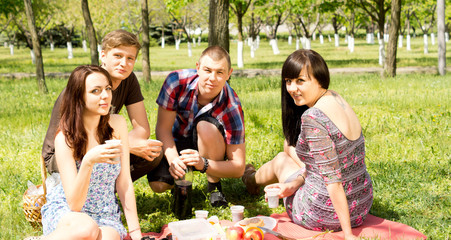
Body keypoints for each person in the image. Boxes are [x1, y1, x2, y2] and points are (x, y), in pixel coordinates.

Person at [242, 49, 373, 239]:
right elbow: (329, 167)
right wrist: (294, 184)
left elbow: (333, 181)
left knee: (281, 159)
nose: (292, 88)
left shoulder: (314, 117)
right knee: (287, 154)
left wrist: (348, 235)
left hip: (323, 212)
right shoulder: (336, 98)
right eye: (288, 81)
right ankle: (251, 177)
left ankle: (249, 180)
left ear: (320, 79)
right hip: (361, 204)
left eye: (300, 81)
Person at [41, 29, 166, 190]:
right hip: (64, 154)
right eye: (118, 56)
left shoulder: (128, 80)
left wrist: (124, 145)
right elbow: (77, 140)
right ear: (103, 55)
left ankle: (105, 194)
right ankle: (85, 196)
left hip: (101, 144)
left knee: (151, 154)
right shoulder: (85, 82)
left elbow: (142, 130)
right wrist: (125, 146)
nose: (124, 63)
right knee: (123, 151)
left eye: (130, 58)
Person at [40, 65, 142, 239]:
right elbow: (74, 204)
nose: (105, 96)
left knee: (109, 237)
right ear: (79, 96)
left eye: (107, 89)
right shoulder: (65, 138)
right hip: (69, 211)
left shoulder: (117, 124)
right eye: (95, 91)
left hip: (105, 212)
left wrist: (136, 232)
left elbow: (124, 182)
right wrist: (88, 161)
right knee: (87, 228)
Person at [153, 45, 246, 207]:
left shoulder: (231, 106)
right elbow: (162, 129)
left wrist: (203, 163)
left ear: (229, 74)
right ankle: (179, 181)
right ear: (198, 68)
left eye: (220, 72)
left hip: (209, 145)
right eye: (207, 70)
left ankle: (214, 187)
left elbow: (238, 167)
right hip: (175, 141)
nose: (212, 78)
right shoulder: (175, 82)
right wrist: (174, 161)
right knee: (158, 185)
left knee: (206, 126)